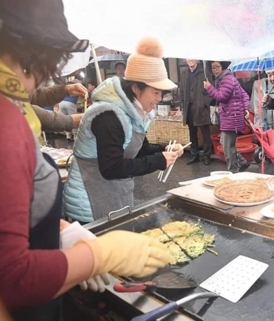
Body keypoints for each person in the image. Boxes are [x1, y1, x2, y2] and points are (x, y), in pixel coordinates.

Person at [0, 1, 173, 320]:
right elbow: (15, 278)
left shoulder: (14, 108)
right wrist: (97, 255)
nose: (41, 80)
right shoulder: (6, 120)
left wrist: (63, 234)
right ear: (34, 51)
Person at [63, 37, 182, 223]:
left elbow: (140, 150)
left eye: (162, 93)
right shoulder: (108, 116)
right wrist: (159, 161)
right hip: (90, 202)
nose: (159, 98)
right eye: (156, 92)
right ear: (136, 88)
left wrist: (165, 150)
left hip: (114, 196)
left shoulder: (134, 112)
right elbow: (112, 167)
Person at [204, 61, 251, 172]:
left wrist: (209, 88)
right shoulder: (227, 78)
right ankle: (242, 162)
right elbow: (243, 93)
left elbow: (222, 97)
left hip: (231, 117)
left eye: (217, 67)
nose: (215, 70)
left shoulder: (226, 79)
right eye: (213, 68)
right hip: (231, 116)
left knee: (227, 147)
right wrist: (245, 109)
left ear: (223, 67)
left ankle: (233, 171)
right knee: (224, 142)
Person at [180, 59, 213, 165]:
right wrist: (182, 105)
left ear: (197, 59)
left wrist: (204, 103)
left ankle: (207, 155)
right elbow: (182, 90)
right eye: (188, 57)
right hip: (189, 107)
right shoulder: (184, 72)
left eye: (192, 57)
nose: (190, 60)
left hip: (201, 107)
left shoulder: (204, 71)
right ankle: (195, 155)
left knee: (205, 133)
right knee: (192, 133)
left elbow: (211, 90)